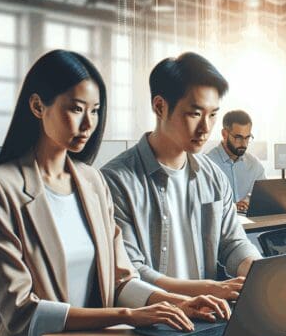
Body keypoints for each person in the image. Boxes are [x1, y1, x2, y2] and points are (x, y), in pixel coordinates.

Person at [0, 50, 228, 336]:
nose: (89, 124)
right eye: (76, 109)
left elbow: (121, 281)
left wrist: (181, 303)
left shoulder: (92, 182)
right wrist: (130, 316)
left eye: (95, 110)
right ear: (37, 107)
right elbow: (22, 313)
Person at [101, 52, 262, 302]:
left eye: (212, 115)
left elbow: (232, 243)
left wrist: (256, 269)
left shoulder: (213, 177)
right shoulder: (116, 181)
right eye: (195, 114)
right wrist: (209, 289)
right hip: (151, 319)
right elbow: (132, 272)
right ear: (159, 106)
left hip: (207, 313)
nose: (205, 128)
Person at [206, 110, 266, 213]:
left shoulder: (255, 165)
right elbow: (201, 205)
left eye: (247, 138)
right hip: (220, 226)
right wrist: (232, 207)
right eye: (238, 138)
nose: (244, 144)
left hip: (252, 226)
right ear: (224, 134)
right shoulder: (207, 164)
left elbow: (265, 197)